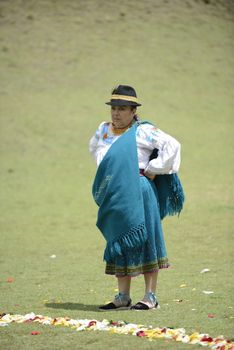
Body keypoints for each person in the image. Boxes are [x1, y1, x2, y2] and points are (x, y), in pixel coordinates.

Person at [89, 85, 184, 311]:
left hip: (139, 189)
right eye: (114, 108)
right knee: (119, 240)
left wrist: (154, 168)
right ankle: (122, 296)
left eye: (122, 108)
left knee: (147, 239)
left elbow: (172, 145)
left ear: (133, 111)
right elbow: (96, 152)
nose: (116, 113)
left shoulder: (143, 131)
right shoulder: (103, 131)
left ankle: (150, 297)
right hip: (115, 193)